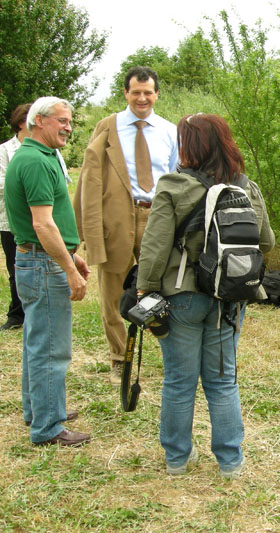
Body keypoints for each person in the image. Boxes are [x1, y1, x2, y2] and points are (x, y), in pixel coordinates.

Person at [136, 113, 274, 477]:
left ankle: (177, 459)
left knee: (179, 381)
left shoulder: (173, 185)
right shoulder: (245, 186)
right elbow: (267, 242)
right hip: (227, 300)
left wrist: (145, 289)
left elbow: (154, 246)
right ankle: (231, 462)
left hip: (181, 297)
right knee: (222, 380)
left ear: (189, 145)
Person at [73, 66, 178, 382]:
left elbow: (176, 177)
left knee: (162, 286)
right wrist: (83, 232)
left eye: (148, 92)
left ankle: (171, 353)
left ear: (157, 94)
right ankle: (120, 358)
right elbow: (89, 180)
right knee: (114, 290)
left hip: (156, 216)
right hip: (117, 215)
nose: (142, 98)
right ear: (126, 93)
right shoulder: (109, 127)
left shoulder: (170, 131)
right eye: (136, 92)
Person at [4, 97, 91, 446]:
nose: (68, 127)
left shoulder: (37, 155)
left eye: (70, 121)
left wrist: (72, 254)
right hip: (43, 263)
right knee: (51, 348)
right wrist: (68, 267)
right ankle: (48, 427)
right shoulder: (36, 161)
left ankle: (39, 409)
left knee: (37, 341)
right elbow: (42, 224)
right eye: (62, 120)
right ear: (38, 121)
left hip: (41, 260)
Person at [0, 104, 32, 330]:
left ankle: (33, 312)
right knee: (15, 269)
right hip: (9, 219)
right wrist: (29, 187)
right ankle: (16, 315)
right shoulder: (4, 150)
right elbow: (2, 183)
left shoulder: (48, 148)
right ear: (21, 122)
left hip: (40, 220)